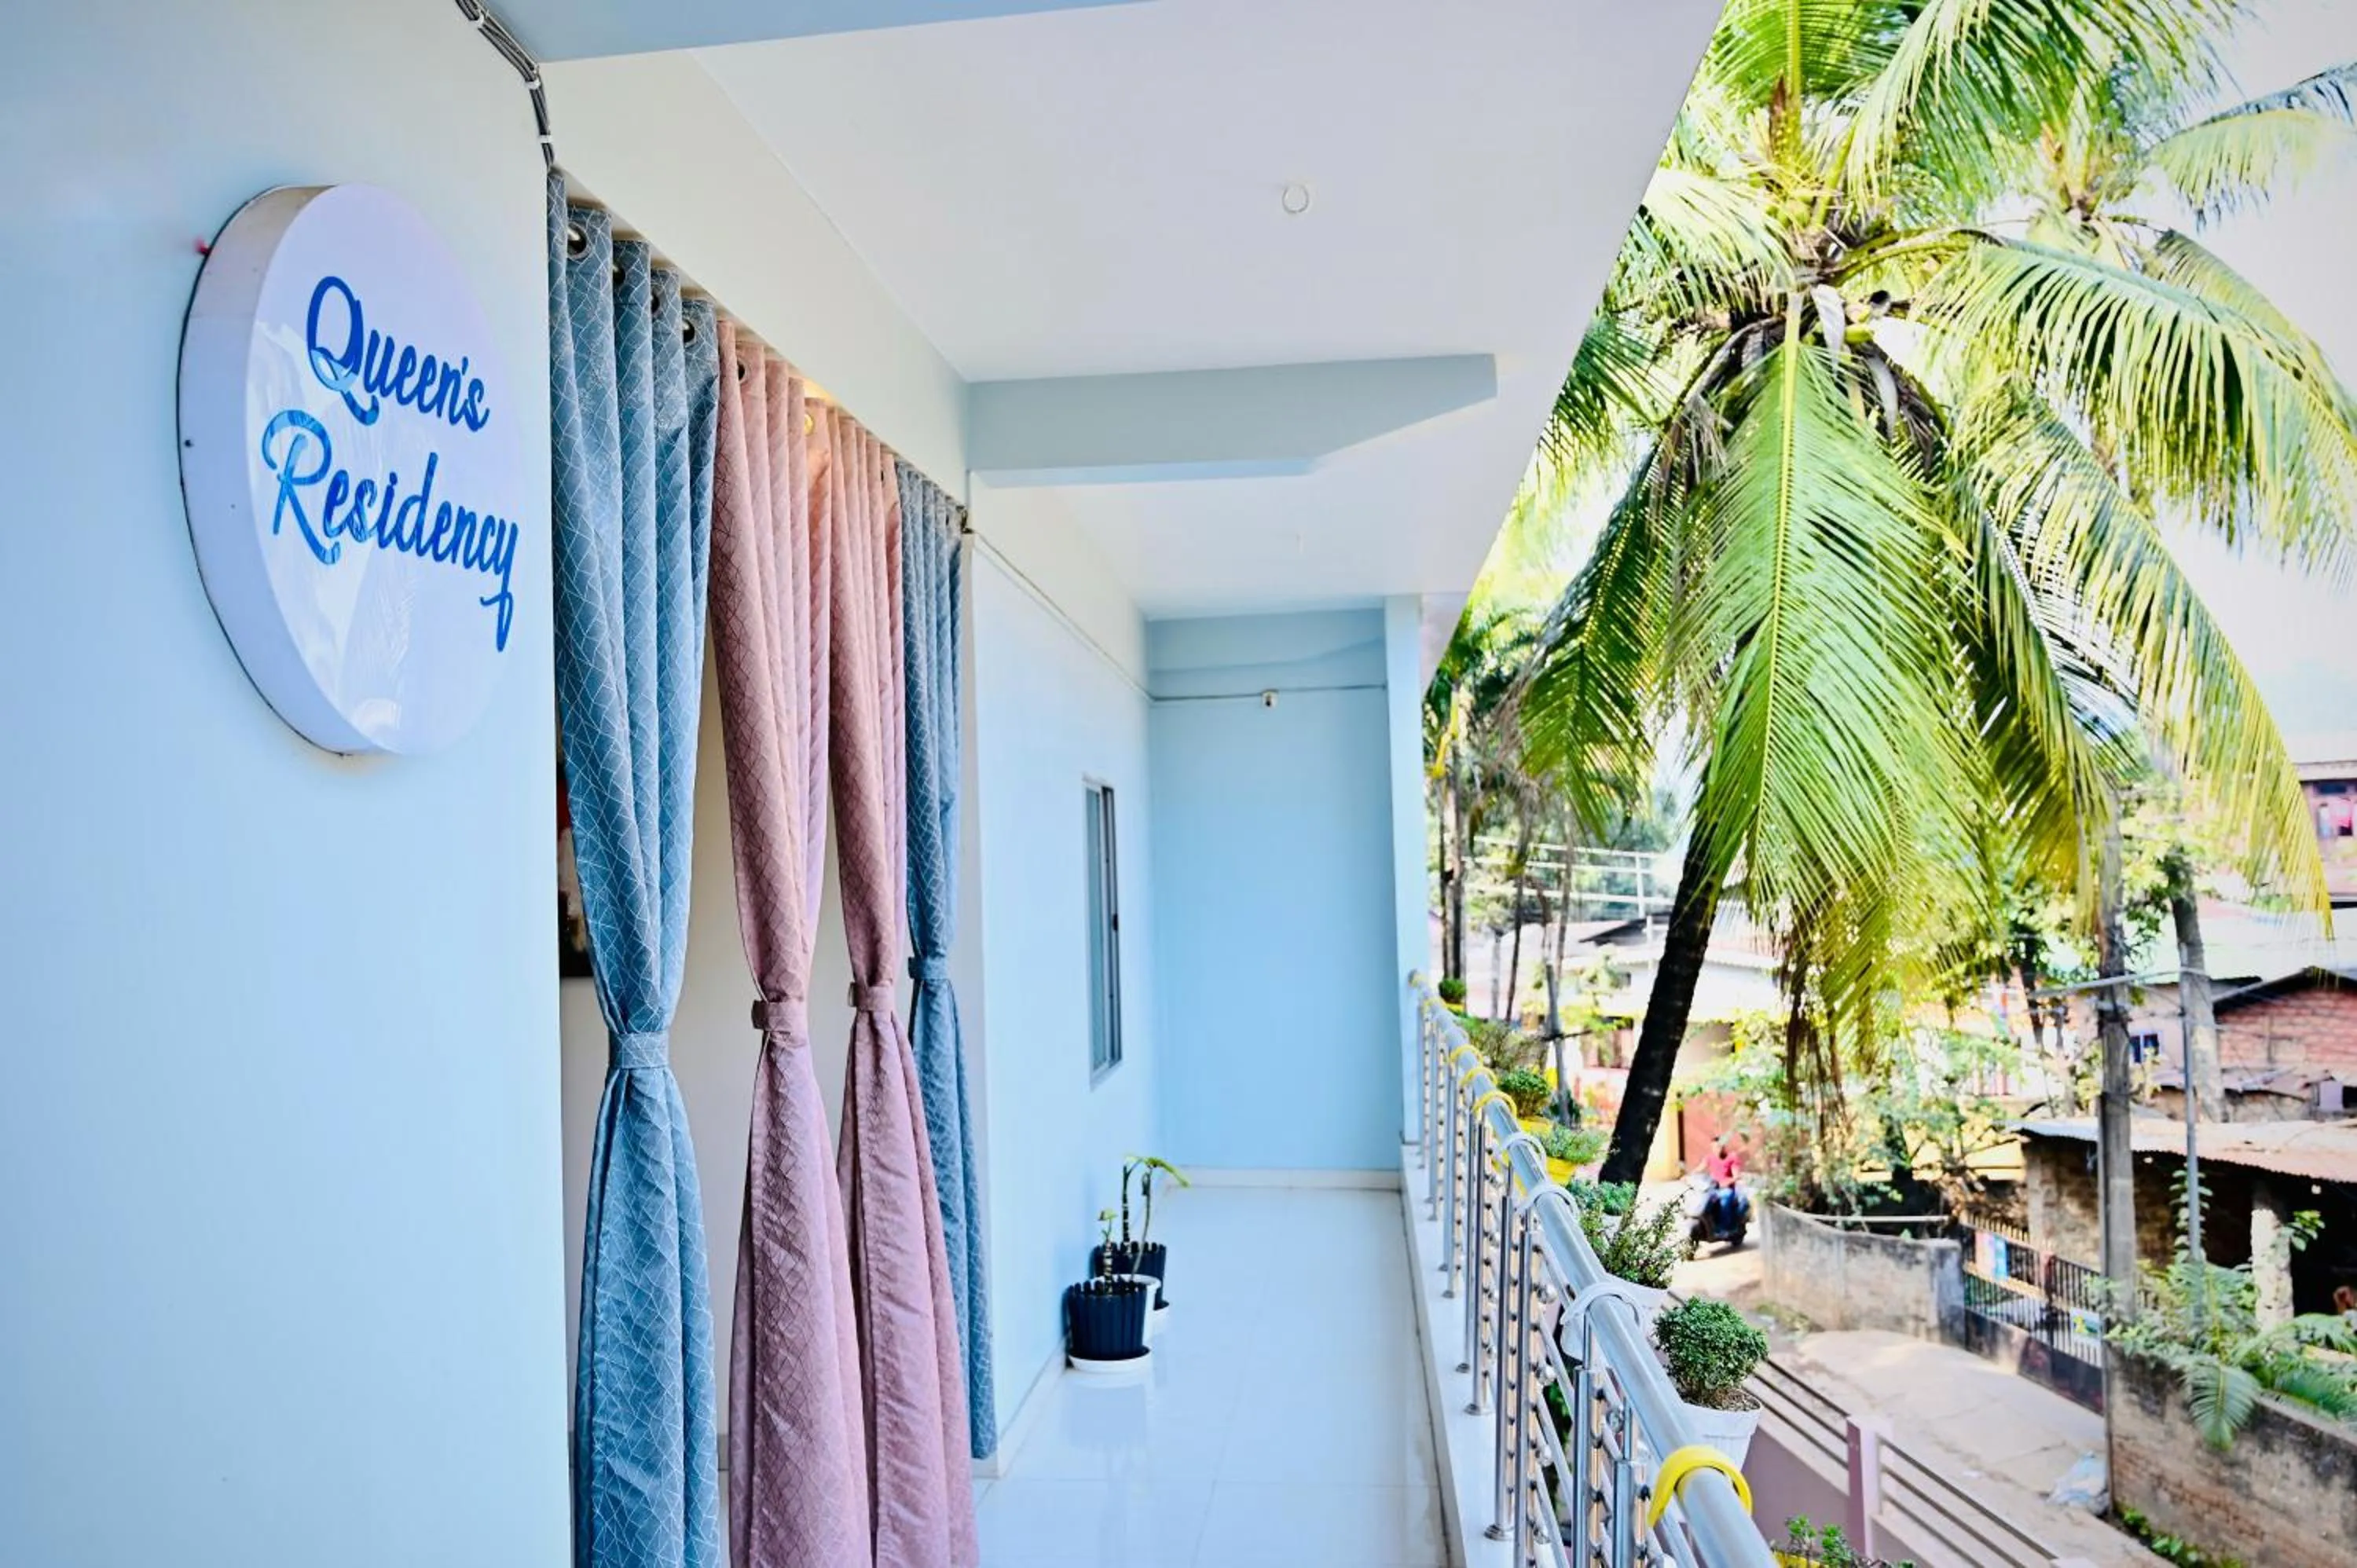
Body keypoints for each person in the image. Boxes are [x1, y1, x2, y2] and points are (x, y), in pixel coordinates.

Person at [1702, 1134, 1743, 1234]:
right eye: (1713, 1147)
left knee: (1725, 1200)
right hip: (1713, 1188)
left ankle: (1725, 1227)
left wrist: (1726, 1182)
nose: (1716, 1149)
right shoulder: (1709, 1158)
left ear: (1723, 1147)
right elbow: (1699, 1169)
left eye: (1718, 1147)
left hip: (1726, 1189)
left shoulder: (1731, 1158)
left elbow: (1736, 1176)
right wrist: (1688, 1177)